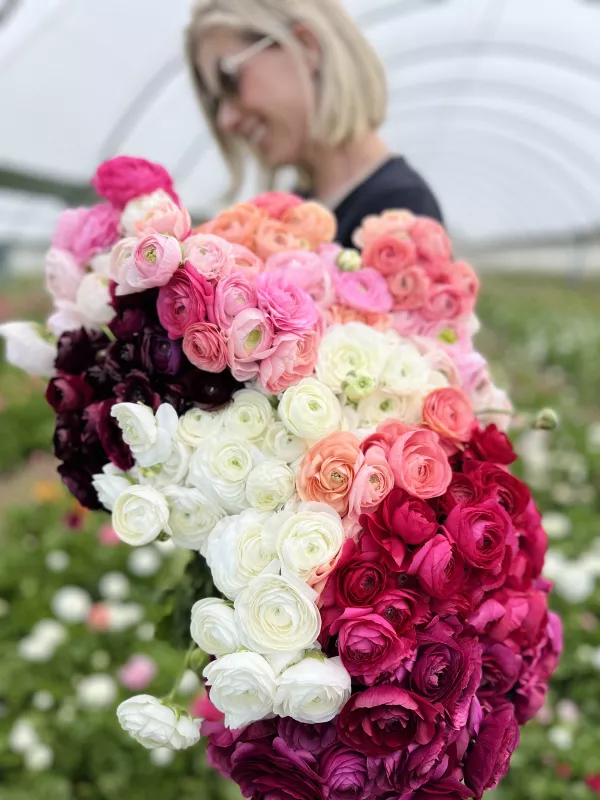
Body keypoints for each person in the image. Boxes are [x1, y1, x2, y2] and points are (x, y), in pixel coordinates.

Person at [185, 0, 444, 248]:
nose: (226, 120)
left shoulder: (399, 211)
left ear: (306, 46)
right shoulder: (302, 207)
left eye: (230, 79)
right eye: (216, 104)